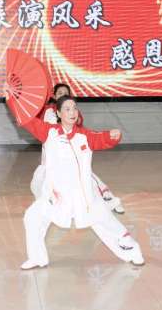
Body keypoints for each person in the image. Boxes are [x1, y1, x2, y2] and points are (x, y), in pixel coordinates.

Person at [18, 95, 145, 269]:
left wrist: (113, 136)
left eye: (74, 108)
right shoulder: (49, 132)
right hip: (56, 197)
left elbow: (102, 139)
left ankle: (134, 252)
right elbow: (26, 119)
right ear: (58, 113)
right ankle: (38, 258)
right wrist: (11, 98)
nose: (72, 112)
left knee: (108, 224)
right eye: (67, 109)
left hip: (84, 198)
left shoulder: (84, 135)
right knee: (32, 217)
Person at [31, 83, 124, 213]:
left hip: (72, 163)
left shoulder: (74, 114)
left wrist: (109, 136)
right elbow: (32, 122)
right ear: (54, 96)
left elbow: (85, 133)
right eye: (60, 93)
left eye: (66, 94)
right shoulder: (47, 112)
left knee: (87, 180)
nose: (63, 95)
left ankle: (109, 200)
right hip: (52, 164)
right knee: (52, 198)